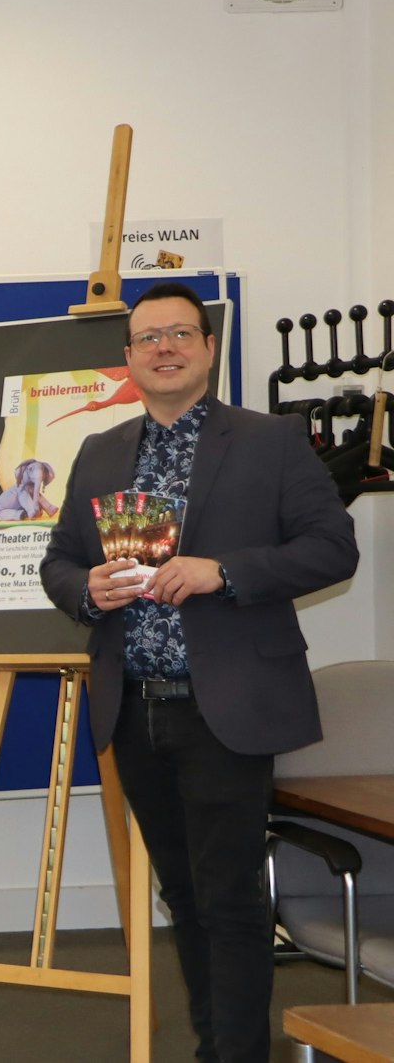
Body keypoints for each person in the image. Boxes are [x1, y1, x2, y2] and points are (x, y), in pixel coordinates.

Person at [40, 281, 357, 1063]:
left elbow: (332, 548)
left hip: (226, 706)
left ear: (210, 348)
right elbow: (58, 563)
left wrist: (225, 571)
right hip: (133, 704)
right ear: (128, 358)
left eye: (182, 333)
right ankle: (215, 1044)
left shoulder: (270, 440)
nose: (165, 347)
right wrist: (89, 588)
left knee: (231, 900)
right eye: (149, 337)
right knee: (182, 895)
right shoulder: (100, 450)